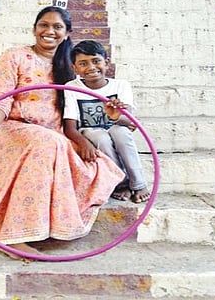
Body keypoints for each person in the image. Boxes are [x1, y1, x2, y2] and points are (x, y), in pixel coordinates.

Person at [0, 7, 125, 259]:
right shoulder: (14, 56)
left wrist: (105, 118)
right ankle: (16, 237)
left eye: (57, 27)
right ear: (35, 28)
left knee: (92, 163)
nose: (49, 31)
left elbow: (86, 104)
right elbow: (0, 99)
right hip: (11, 130)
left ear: (66, 33)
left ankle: (48, 224)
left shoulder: (72, 67)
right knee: (46, 144)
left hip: (53, 135)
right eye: (43, 25)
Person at [63, 40, 151, 203]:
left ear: (107, 63)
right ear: (74, 68)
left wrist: (116, 115)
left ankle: (138, 183)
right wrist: (83, 143)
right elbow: (69, 127)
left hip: (117, 126)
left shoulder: (121, 86)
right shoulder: (72, 87)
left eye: (96, 61)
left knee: (121, 133)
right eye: (83, 64)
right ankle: (120, 184)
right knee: (101, 138)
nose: (91, 67)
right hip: (90, 130)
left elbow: (130, 123)